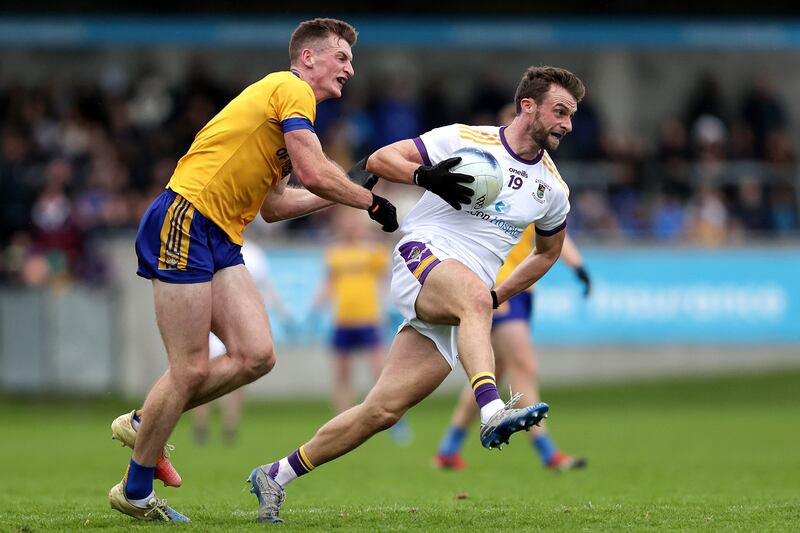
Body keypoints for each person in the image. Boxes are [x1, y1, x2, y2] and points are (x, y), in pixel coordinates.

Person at [248, 65, 586, 523]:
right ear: (528, 106)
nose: (567, 123)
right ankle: (490, 410)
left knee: (381, 410)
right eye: (560, 111)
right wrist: (429, 177)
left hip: (464, 297)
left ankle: (276, 474)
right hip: (423, 253)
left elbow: (548, 253)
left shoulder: (554, 190)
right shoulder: (467, 139)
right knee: (474, 300)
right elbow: (379, 160)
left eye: (572, 114)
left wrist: (499, 293)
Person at [107, 18, 399, 523]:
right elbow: (313, 172)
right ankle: (134, 491)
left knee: (258, 355)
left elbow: (277, 205)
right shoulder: (289, 88)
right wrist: (368, 201)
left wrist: (346, 188)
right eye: (342, 58)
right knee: (191, 367)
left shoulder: (286, 116)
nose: (350, 69)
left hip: (221, 235)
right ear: (307, 58)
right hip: (186, 216)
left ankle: (144, 418)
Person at [434, 228, 591, 471]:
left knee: (490, 375)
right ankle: (548, 453)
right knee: (523, 365)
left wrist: (577, 265)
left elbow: (555, 228)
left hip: (523, 287)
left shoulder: (544, 192)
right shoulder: (506, 191)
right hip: (500, 286)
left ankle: (448, 449)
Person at [313, 207, 413, 442]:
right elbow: (329, 282)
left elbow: (389, 277)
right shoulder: (335, 253)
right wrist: (316, 305)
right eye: (344, 223)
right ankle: (340, 425)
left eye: (352, 223)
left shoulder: (372, 251)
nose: (349, 227)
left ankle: (395, 419)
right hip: (343, 320)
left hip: (369, 319)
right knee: (342, 374)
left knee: (380, 371)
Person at [190, 241, 288, 446]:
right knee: (202, 371)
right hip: (212, 320)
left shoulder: (254, 253)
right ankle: (201, 425)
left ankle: (230, 426)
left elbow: (264, 285)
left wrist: (280, 310)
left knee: (241, 369)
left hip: (240, 322)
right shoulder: (211, 245)